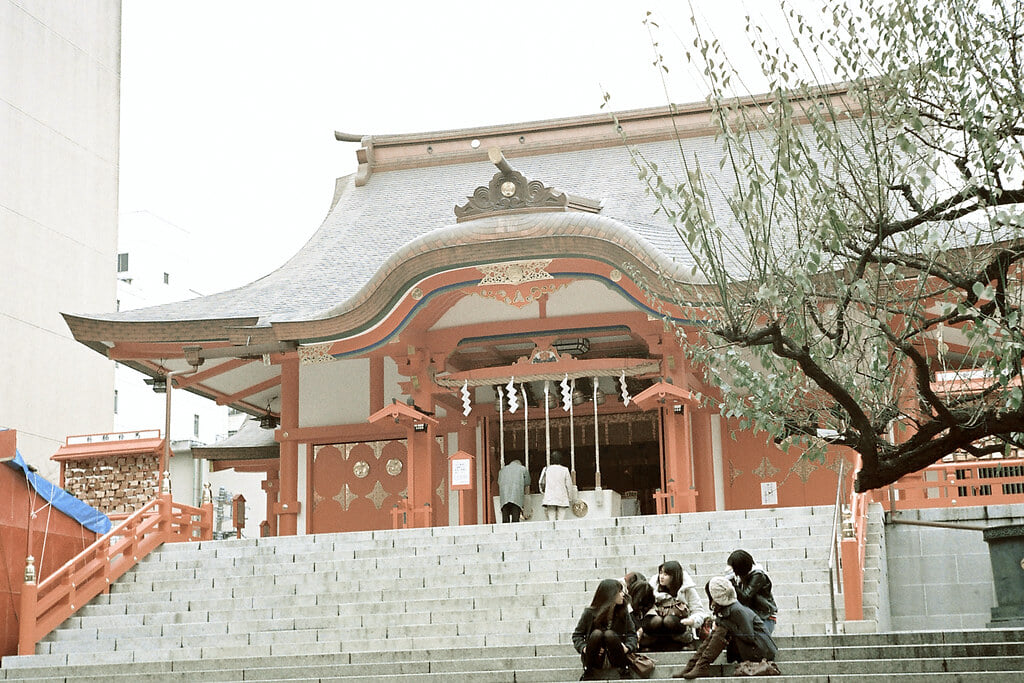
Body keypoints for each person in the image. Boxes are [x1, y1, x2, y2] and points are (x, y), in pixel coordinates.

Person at [673, 577, 778, 679]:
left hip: (761, 651)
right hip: (755, 648)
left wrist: (725, 624)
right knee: (720, 629)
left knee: (722, 629)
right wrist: (724, 623)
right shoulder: (730, 608)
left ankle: (701, 665)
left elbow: (749, 636)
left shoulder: (737, 610)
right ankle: (694, 665)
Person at [572, 578, 639, 680]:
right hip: (596, 657)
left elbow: (632, 634)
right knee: (597, 634)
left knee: (609, 634)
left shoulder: (623, 612)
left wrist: (627, 647)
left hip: (616, 654)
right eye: (619, 591)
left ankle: (623, 669)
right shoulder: (589, 613)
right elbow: (577, 636)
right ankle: (588, 670)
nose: (622, 595)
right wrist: (585, 648)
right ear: (610, 594)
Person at [639, 560, 708, 651]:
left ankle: (685, 641)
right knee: (657, 620)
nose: (661, 577)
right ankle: (650, 643)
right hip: (656, 627)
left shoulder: (687, 589)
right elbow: (643, 609)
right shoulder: (652, 589)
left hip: (677, 626)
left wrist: (692, 620)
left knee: (669, 620)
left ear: (674, 576)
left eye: (666, 574)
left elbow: (698, 610)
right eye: (660, 573)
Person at [726, 549, 778, 634]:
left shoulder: (758, 576)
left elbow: (745, 598)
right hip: (752, 617)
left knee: (759, 644)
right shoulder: (742, 578)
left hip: (764, 617)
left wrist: (733, 582)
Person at [538, 450, 573, 521]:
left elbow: (540, 482)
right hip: (561, 496)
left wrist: (543, 492)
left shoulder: (546, 469)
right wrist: (570, 497)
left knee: (551, 519)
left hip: (550, 496)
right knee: (561, 520)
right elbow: (569, 485)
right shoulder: (565, 470)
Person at [497, 458, 530, 523]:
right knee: (515, 518)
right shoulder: (523, 469)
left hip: (504, 496)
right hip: (516, 496)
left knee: (505, 518)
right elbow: (527, 483)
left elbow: (498, 482)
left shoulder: (502, 470)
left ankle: (505, 531)